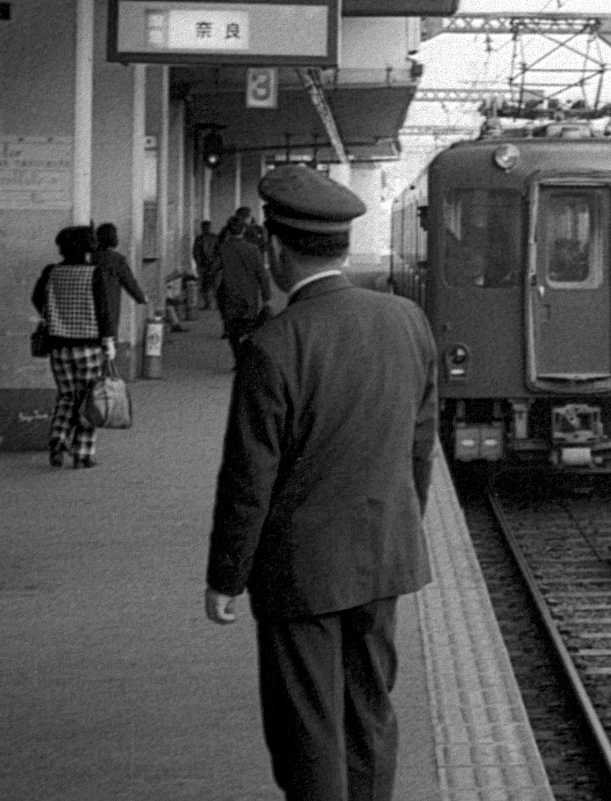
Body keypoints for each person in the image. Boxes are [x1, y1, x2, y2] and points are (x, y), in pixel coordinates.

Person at [206, 166, 439, 801]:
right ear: (340, 244)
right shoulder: (408, 322)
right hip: (384, 557)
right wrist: (397, 525)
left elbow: (248, 480)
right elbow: (421, 447)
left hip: (301, 572)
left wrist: (226, 577)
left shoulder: (274, 344)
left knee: (307, 730)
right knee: (369, 714)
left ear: (276, 250)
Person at [30, 225, 117, 469]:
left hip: (58, 345)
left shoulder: (51, 272)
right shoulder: (94, 273)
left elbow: (37, 298)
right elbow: (103, 310)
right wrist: (108, 341)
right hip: (88, 345)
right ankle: (83, 453)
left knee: (67, 396)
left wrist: (53, 316)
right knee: (89, 399)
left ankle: (58, 438)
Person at [93, 222, 150, 352]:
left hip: (90, 308)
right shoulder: (116, 259)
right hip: (110, 305)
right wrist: (142, 298)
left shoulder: (91, 258)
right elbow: (129, 282)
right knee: (109, 345)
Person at [218, 208, 271, 348]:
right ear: (243, 231)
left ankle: (237, 357)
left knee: (232, 329)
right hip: (249, 294)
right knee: (248, 326)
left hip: (229, 293)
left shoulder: (223, 248)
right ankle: (245, 357)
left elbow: (215, 270)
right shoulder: (253, 249)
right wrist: (267, 296)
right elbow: (262, 274)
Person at [193, 219, 221, 313]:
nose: (206, 229)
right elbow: (196, 252)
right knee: (205, 285)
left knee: (214, 285)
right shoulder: (200, 239)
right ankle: (208, 303)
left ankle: (216, 303)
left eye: (207, 227)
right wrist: (199, 262)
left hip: (212, 264)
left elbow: (219, 251)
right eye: (204, 227)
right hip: (204, 264)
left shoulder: (214, 238)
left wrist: (216, 262)